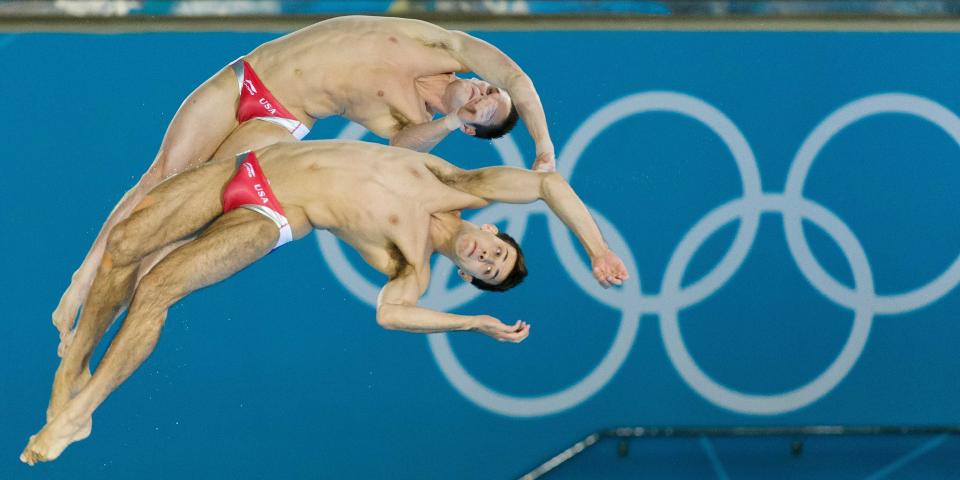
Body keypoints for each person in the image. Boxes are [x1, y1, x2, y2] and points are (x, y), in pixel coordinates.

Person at [22, 140, 626, 465]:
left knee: (158, 288)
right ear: (493, 232)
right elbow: (547, 184)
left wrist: (473, 324)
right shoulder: (459, 182)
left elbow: (391, 313)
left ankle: (82, 412)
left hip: (273, 215)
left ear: (469, 276)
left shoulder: (410, 263)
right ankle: (68, 374)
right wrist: (596, 249)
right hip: (252, 166)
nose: (484, 258)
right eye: (496, 254)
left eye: (486, 272)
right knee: (125, 244)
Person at [52, 15, 557, 355]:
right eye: (489, 88)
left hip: (283, 118)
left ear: (470, 125)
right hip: (252, 73)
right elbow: (518, 77)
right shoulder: (442, 45)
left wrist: (448, 121)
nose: (484, 90)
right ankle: (82, 281)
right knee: (160, 175)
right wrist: (545, 149)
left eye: (484, 106)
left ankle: (105, 312)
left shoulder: (411, 120)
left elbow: (396, 156)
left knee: (186, 209)